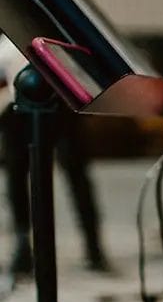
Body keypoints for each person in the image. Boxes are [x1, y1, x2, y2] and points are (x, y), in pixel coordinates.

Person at [0, 36, 109, 276]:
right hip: (15, 105)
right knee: (17, 174)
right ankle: (22, 247)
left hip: (60, 100)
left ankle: (93, 246)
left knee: (75, 172)